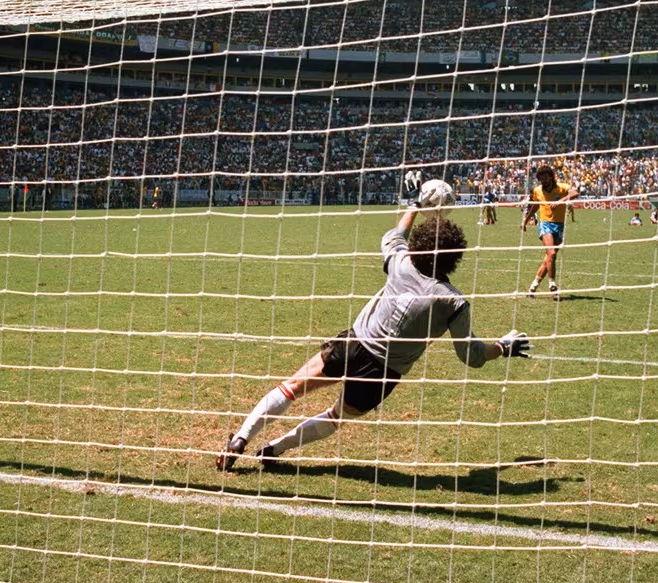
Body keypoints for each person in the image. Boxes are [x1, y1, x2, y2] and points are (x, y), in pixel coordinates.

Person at [216, 200, 532, 471]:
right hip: (382, 373)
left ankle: (240, 438)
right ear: (456, 256)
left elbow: (395, 236)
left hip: (353, 344)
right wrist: (503, 347)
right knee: (335, 417)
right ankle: (275, 450)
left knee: (290, 389)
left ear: (419, 245)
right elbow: (471, 356)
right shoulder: (453, 301)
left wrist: (414, 207)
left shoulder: (401, 264)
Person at [521, 165, 579, 298]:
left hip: (559, 225)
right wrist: (525, 221)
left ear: (551, 177)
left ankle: (533, 287)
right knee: (552, 253)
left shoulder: (562, 187)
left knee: (549, 258)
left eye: (545, 178)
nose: (543, 181)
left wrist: (561, 201)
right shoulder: (537, 191)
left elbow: (575, 193)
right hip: (545, 224)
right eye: (541, 179)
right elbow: (535, 206)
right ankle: (552, 286)